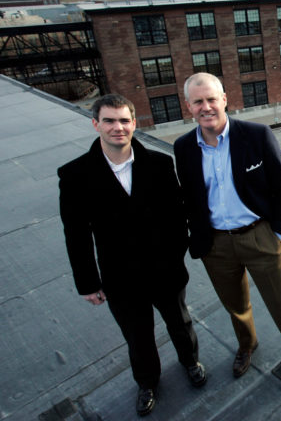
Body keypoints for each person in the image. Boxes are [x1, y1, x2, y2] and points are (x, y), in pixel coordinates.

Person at [174, 73, 281, 381]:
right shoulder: (183, 147)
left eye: (211, 99)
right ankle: (247, 345)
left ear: (224, 100)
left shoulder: (256, 135)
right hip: (216, 245)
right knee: (235, 305)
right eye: (198, 102)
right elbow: (190, 197)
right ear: (189, 106)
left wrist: (277, 230)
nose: (205, 107)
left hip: (259, 235)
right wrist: (198, 237)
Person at [58, 94, 206, 417]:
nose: (118, 128)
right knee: (138, 337)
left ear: (134, 124)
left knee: (180, 323)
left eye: (124, 120)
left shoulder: (160, 163)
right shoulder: (74, 175)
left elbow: (178, 215)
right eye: (109, 121)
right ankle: (148, 382)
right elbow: (76, 235)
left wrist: (174, 255)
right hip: (120, 278)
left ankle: (190, 362)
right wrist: (87, 282)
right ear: (95, 124)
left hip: (165, 271)